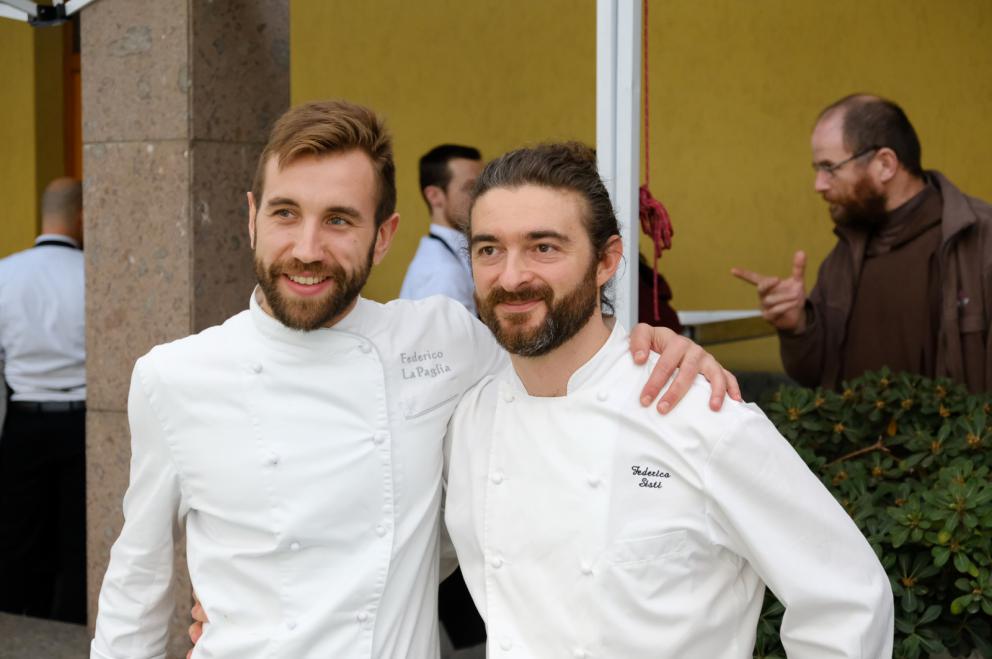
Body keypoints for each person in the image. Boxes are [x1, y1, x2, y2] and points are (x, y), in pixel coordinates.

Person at [91, 100, 738, 659]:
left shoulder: (444, 339)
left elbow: (561, 366)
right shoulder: (174, 377)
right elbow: (138, 581)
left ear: (384, 236)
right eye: (286, 213)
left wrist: (648, 349)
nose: (308, 247)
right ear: (251, 216)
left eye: (340, 219)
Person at [443, 142, 894, 657]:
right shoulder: (469, 422)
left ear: (607, 261)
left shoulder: (696, 412)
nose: (511, 276)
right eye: (489, 249)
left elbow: (846, 597)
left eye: (544, 247)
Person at [732, 94, 992, 392]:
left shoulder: (980, 243)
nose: (818, 185)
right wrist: (799, 326)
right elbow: (815, 376)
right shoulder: (842, 257)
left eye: (829, 167)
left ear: (885, 164)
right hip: (859, 441)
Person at [0, 177, 87, 624]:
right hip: (82, 423)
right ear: (82, 216)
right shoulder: (94, 274)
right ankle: (73, 620)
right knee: (78, 532)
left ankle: (18, 619)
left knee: (20, 531)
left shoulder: (6, 273)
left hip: (23, 421)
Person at [400, 144, 482, 313]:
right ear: (435, 196)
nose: (481, 197)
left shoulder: (445, 256)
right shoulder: (442, 273)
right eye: (471, 188)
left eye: (483, 187)